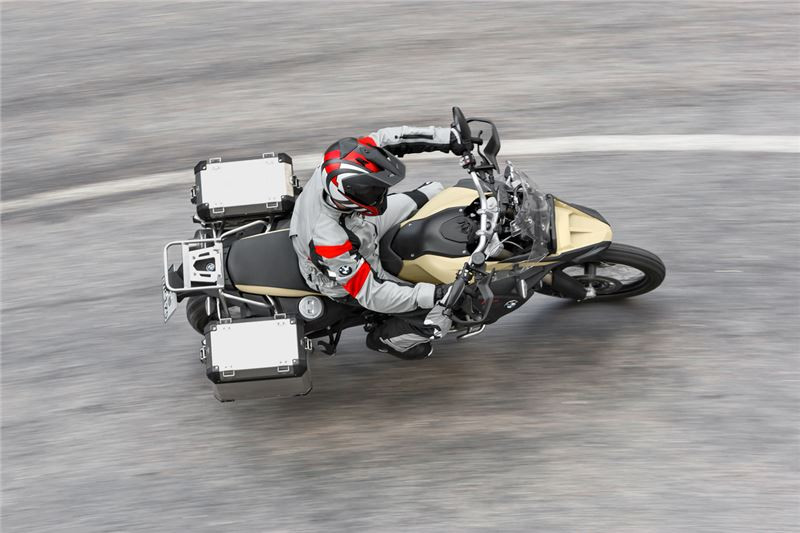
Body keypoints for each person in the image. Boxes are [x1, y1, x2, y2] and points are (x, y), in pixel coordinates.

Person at [289, 124, 469, 359]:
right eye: (374, 191)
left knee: (436, 192)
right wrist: (435, 294)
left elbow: (386, 139)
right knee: (440, 314)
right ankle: (388, 340)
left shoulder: (340, 160)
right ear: (350, 196)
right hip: (345, 271)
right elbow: (372, 293)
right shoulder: (328, 239)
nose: (381, 193)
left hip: (358, 224)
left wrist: (449, 138)